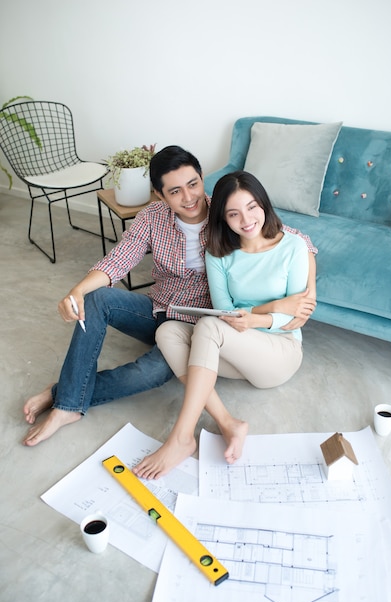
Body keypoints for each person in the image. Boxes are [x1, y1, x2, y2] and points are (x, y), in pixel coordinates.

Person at [23, 148, 317, 456]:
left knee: (150, 372)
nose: (188, 197)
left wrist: (306, 292)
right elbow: (119, 258)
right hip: (158, 308)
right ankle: (68, 403)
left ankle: (63, 394)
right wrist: (78, 290)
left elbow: (296, 239)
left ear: (202, 178)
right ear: (160, 195)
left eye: (193, 184)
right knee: (97, 298)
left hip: (199, 329)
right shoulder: (152, 217)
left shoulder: (227, 212)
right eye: (175, 191)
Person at [133, 171, 315, 480]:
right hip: (234, 351)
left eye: (252, 207)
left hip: (279, 353)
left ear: (264, 205)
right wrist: (269, 306)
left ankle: (181, 437)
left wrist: (258, 319)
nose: (246, 219)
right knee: (168, 330)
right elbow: (224, 311)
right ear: (223, 218)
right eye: (233, 213)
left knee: (208, 327)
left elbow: (294, 317)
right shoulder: (218, 253)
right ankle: (228, 422)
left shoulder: (293, 247)